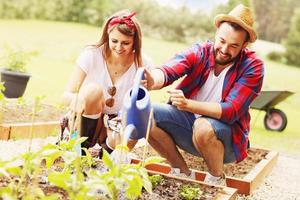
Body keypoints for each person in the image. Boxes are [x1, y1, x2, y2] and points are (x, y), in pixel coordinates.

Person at [143, 4, 264, 184]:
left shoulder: (252, 66)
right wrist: (153, 80)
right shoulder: (200, 52)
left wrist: (188, 105)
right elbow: (171, 69)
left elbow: (231, 110)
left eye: (233, 46)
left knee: (202, 126)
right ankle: (182, 173)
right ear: (216, 34)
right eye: (222, 41)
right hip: (187, 129)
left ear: (244, 45)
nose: (224, 49)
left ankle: (216, 179)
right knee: (146, 113)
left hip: (226, 141)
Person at [61, 9, 152, 156]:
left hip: (115, 122)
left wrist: (124, 118)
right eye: (114, 41)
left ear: (135, 41)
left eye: (126, 43)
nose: (119, 47)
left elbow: (139, 106)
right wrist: (77, 100)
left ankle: (106, 155)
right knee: (93, 91)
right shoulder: (91, 54)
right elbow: (65, 95)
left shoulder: (143, 64)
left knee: (132, 129)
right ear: (107, 36)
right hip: (88, 116)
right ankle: (80, 151)